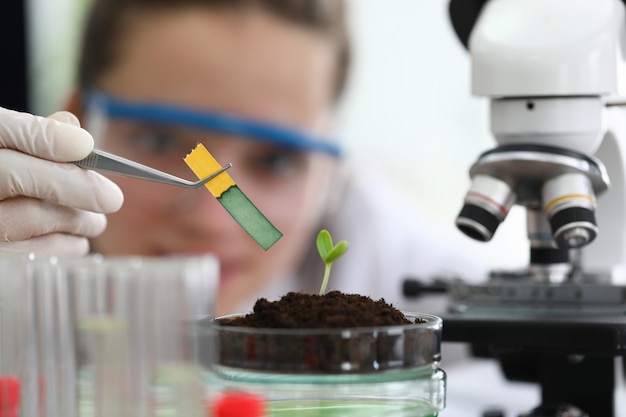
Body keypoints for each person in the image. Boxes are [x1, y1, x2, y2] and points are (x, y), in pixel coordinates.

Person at [0, 0, 539, 414]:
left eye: (278, 162)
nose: (213, 217)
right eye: (162, 140)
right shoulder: (21, 258)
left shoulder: (391, 255)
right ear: (76, 121)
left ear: (334, 174)